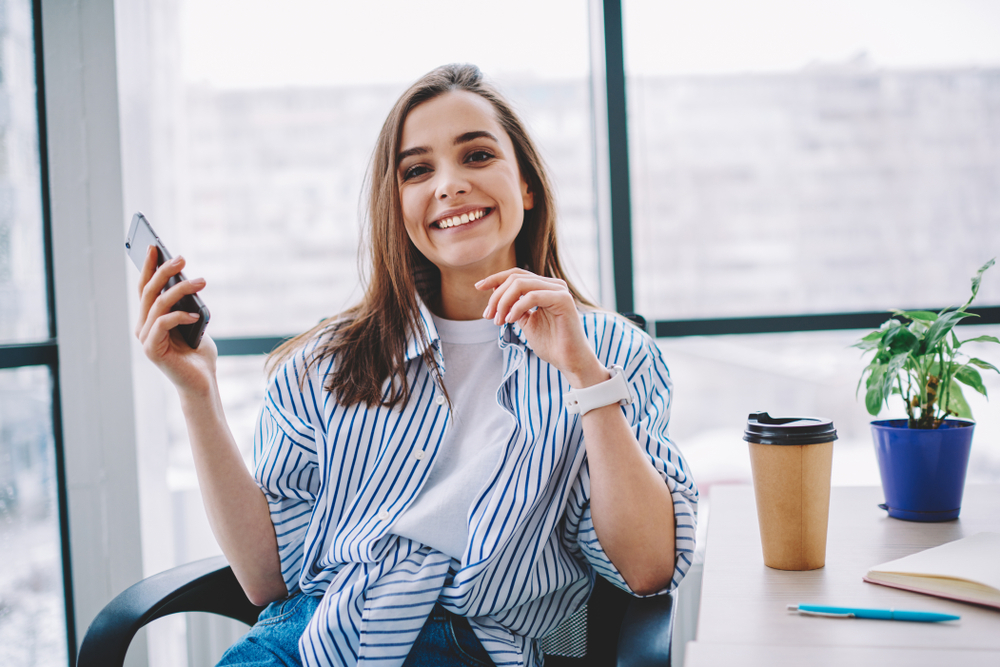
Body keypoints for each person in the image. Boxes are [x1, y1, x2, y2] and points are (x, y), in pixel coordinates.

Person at [135, 63, 698, 667]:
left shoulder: (611, 355)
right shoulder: (326, 362)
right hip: (309, 640)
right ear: (397, 205)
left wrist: (584, 376)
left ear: (527, 187)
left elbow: (647, 568)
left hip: (479, 647)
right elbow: (267, 581)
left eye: (477, 156)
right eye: (418, 170)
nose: (450, 185)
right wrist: (198, 393)